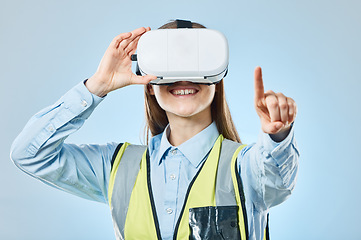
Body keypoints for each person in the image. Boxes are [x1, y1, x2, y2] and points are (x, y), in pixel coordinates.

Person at [10, 20, 299, 240]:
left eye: (195, 64)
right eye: (168, 67)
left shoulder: (246, 167)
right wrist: (97, 86)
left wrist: (277, 136)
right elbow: (29, 155)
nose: (182, 78)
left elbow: (274, 179)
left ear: (216, 78)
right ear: (149, 85)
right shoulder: (116, 167)